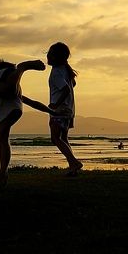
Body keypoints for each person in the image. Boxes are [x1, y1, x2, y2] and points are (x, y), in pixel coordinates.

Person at [0, 59, 55, 185]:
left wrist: (52, 111)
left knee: (2, 136)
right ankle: (3, 172)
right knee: (2, 137)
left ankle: (22, 67)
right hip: (12, 108)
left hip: (10, 106)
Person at [47, 41, 83, 176]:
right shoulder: (64, 69)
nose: (48, 56)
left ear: (57, 57)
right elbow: (73, 84)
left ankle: (74, 162)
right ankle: (73, 166)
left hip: (60, 110)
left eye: (50, 54)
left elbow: (66, 89)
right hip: (69, 109)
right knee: (63, 138)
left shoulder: (56, 72)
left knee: (55, 138)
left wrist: (56, 104)